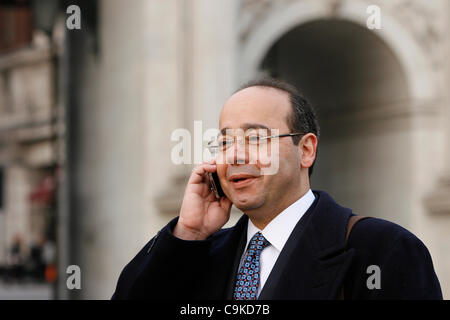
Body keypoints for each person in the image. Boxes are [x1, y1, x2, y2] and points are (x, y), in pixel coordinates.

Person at [112, 78, 442, 300]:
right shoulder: (199, 253)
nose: (236, 155)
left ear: (307, 149)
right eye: (225, 142)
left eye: (255, 138)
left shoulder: (381, 249)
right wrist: (188, 233)